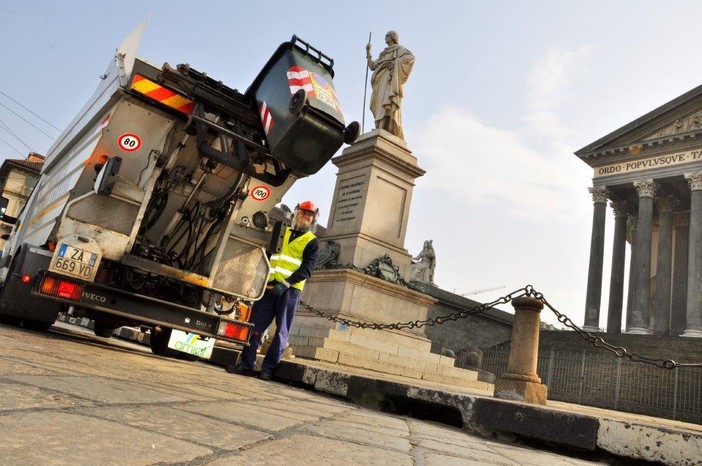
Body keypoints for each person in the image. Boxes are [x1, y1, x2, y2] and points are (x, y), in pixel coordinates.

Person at [226, 200, 321, 380]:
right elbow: (266, 256)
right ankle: (246, 365)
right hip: (268, 288)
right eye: (303, 212)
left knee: (281, 332)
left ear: (314, 219)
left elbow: (307, 270)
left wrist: (285, 284)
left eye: (310, 215)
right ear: (296, 213)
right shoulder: (282, 233)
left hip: (290, 291)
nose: (306, 217)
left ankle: (268, 370)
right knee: (254, 327)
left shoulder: (313, 242)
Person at [366, 31, 415, 140]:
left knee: (386, 101)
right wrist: (368, 52)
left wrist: (395, 62)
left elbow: (410, 58)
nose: (385, 37)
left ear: (393, 37)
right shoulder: (384, 53)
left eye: (387, 35)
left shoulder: (399, 49)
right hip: (378, 81)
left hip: (388, 78)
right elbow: (373, 66)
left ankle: (382, 127)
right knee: (377, 104)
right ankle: (378, 127)